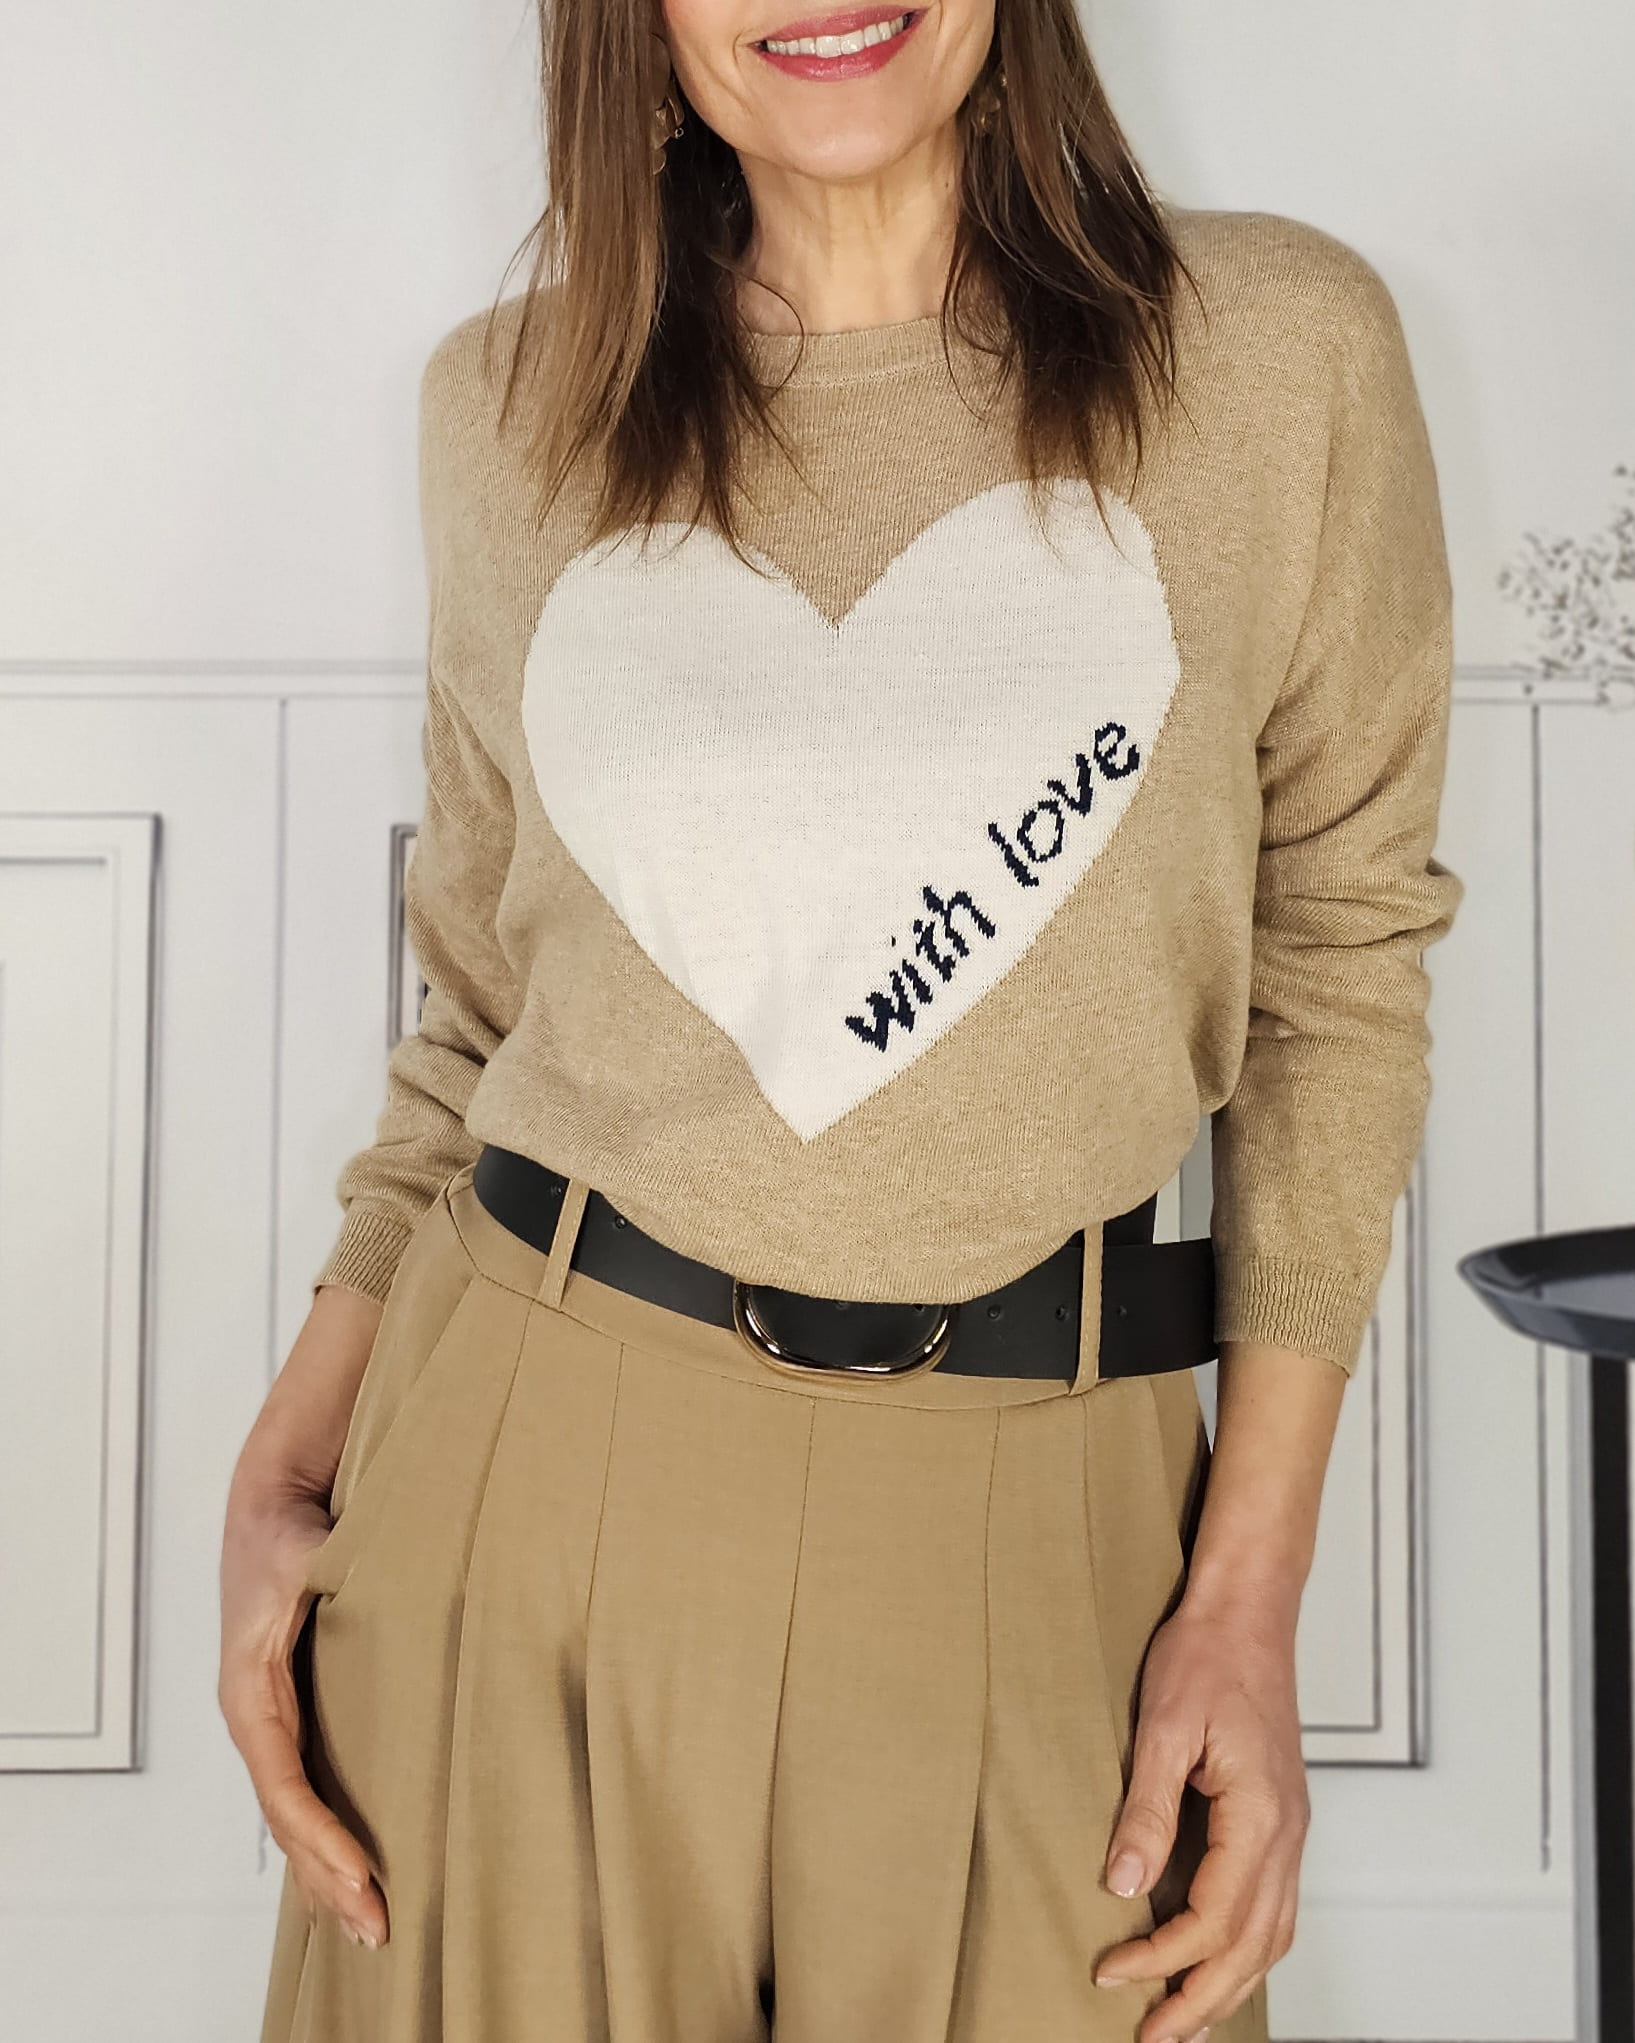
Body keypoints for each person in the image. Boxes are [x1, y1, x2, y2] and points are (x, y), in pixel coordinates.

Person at [219, 2, 1464, 2039]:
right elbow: (480, 1002)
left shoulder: (1280, 351)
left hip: (1054, 1520)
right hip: (530, 1478)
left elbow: (1338, 963)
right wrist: (289, 1451)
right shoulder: (506, 408)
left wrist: (1246, 1597)